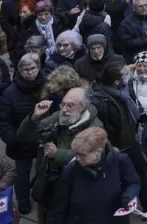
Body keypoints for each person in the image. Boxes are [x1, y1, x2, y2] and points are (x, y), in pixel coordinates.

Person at [17, 87, 104, 221]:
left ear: (83, 107)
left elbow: (95, 158)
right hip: (48, 181)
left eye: (70, 105)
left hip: (74, 186)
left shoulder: (94, 127)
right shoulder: (57, 117)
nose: (64, 109)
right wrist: (35, 117)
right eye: (63, 104)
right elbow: (24, 137)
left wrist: (58, 154)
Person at [89, 61, 147, 212]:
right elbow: (101, 128)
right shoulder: (100, 100)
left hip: (131, 142)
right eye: (125, 74)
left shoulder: (124, 89)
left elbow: (133, 103)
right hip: (117, 148)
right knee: (123, 179)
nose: (129, 76)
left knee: (141, 168)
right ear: (116, 81)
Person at [48, 127, 141, 224]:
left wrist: (128, 196)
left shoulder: (120, 161)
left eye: (82, 155)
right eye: (76, 154)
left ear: (98, 151)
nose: (77, 158)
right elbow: (59, 207)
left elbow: (133, 182)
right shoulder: (70, 170)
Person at [0, 53, 45, 215]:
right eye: (25, 70)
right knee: (22, 174)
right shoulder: (10, 93)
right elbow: (3, 120)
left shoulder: (47, 86)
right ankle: (23, 201)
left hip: (43, 138)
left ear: (38, 69)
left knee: (43, 169)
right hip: (21, 141)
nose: (30, 72)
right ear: (19, 71)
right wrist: (13, 139)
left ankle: (41, 194)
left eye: (33, 68)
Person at [116, 0, 147, 64]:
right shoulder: (126, 23)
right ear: (134, 8)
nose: (144, 8)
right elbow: (126, 43)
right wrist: (146, 40)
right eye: (140, 6)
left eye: (145, 5)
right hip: (134, 58)